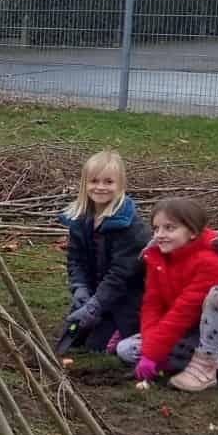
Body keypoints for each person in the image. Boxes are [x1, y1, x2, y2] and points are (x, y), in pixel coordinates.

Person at [117, 197, 218, 393]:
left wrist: (153, 354)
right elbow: (152, 306)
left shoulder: (211, 261)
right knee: (126, 349)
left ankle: (207, 366)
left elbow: (183, 312)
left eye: (169, 228)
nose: (159, 235)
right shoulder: (157, 258)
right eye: (156, 228)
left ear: (192, 231)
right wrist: (150, 352)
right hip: (191, 332)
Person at [56, 150, 150, 354]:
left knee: (97, 346)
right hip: (95, 295)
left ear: (120, 184)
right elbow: (75, 260)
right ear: (85, 184)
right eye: (94, 181)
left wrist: (95, 305)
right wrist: (80, 288)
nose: (100, 187)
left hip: (125, 301)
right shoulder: (80, 220)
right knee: (75, 338)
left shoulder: (131, 227)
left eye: (108, 182)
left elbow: (120, 275)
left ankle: (129, 331)